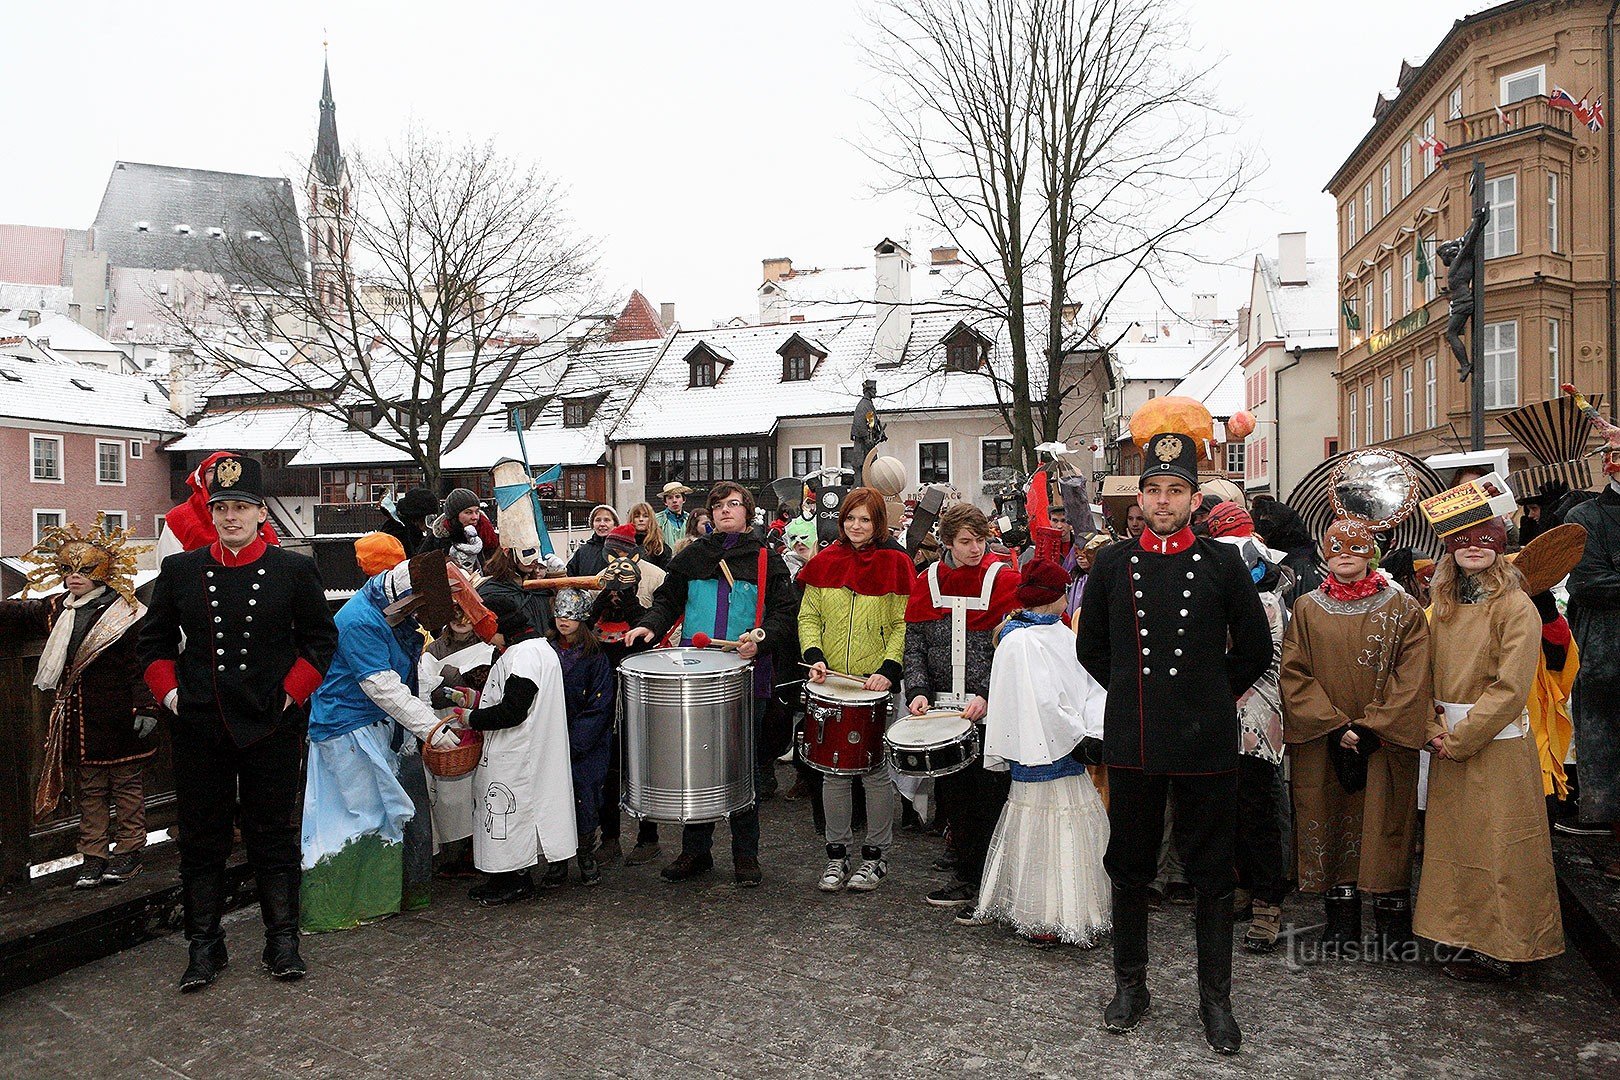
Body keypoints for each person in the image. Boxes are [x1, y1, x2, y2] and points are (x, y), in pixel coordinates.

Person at [1075, 423, 1271, 1055]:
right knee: (1129, 867)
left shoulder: (1221, 563)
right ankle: (1130, 985)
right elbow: (1091, 647)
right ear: (1141, 498)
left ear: (1194, 499)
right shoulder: (1112, 563)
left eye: (1175, 491)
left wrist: (1210, 695)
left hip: (1205, 741)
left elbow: (1257, 647)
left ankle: (1216, 998)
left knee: (1212, 871)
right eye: (1153, 490)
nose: (1163, 501)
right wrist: (1138, 692)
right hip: (1134, 738)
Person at [139, 453, 338, 992]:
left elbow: (320, 639)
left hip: (271, 724)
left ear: (258, 512)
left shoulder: (293, 569)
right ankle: (204, 946)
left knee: (272, 834)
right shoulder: (181, 570)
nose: (231, 517)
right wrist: (171, 693)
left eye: (242, 507)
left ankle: (282, 941)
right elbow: (153, 642)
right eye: (221, 507)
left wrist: (292, 694)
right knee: (202, 840)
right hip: (201, 726)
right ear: (211, 511)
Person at [624, 481, 800, 887]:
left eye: (733, 504)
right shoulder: (693, 557)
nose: (724, 510)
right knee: (696, 765)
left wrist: (760, 641)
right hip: (695, 676)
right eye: (718, 505)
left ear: (747, 512)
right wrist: (648, 627)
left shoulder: (765, 559)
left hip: (744, 676)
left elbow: (784, 613)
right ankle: (696, 852)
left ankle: (745, 855)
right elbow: (667, 602)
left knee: (744, 766)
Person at [1415, 517, 1565, 979]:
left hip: (1493, 745)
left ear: (1501, 547)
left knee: (1503, 845)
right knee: (1453, 845)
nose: (1474, 548)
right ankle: (1457, 934)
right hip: (1446, 741)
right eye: (1463, 541)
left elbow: (1511, 686)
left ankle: (1511, 946)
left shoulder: (1516, 606)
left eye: (1485, 540)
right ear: (1449, 549)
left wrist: (1460, 739)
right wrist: (1430, 726)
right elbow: (1420, 672)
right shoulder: (1440, 606)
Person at [300, 552, 482, 932]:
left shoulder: (394, 613)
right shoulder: (358, 622)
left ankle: (403, 892)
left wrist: (442, 700)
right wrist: (430, 729)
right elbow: (380, 686)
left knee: (402, 812)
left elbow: (409, 676)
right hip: (348, 731)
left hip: (386, 728)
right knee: (359, 818)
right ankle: (350, 903)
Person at [1278, 517, 1432, 958]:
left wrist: (1372, 725)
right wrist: (1333, 725)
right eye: (1336, 546)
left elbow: (1414, 674)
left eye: (1356, 546)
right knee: (1329, 811)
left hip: (1385, 736)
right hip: (1326, 734)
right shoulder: (1306, 607)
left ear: (1372, 553)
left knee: (1386, 817)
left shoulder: (1402, 608)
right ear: (1325, 554)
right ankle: (1341, 918)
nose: (1345, 553)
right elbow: (1295, 670)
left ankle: (1391, 920)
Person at [4, 517, 158, 888]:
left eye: (84, 570)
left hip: (122, 715)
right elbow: (18, 614)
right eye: (67, 570)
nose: (74, 577)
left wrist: (148, 707)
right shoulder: (58, 609)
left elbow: (143, 663)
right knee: (89, 789)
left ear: (103, 572)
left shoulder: (127, 612)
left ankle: (130, 851)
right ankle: (93, 855)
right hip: (78, 718)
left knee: (125, 787)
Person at [969, 559, 1110, 947]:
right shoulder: (1019, 641)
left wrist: (1095, 728)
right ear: (1055, 597)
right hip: (1040, 751)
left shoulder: (1061, 634)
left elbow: (1089, 683)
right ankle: (1042, 914)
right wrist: (1079, 736)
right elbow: (1041, 702)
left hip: (1070, 746)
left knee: (1069, 829)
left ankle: (1077, 912)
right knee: (1047, 832)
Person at [903, 503, 1022, 910]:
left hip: (988, 707)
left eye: (981, 540)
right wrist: (917, 689)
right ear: (948, 542)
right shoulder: (928, 580)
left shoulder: (1004, 580)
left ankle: (983, 878)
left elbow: (1012, 648)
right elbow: (915, 642)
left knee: (989, 795)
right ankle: (966, 867)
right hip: (942, 709)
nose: (975, 549)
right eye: (966, 542)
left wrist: (988, 694)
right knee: (953, 794)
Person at [798, 488, 913, 893]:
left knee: (875, 772)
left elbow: (902, 623)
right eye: (850, 518)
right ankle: (836, 854)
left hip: (874, 683)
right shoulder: (826, 561)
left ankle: (876, 856)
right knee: (833, 771)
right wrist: (814, 654)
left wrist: (888, 669)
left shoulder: (897, 563)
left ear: (878, 523)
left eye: (865, 519)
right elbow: (809, 615)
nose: (857, 526)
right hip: (830, 681)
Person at [1205, 502, 1296, 953]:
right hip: (1215, 719)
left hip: (1256, 717)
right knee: (1225, 810)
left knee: (1258, 812)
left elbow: (1261, 656)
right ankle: (1241, 887)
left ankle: (1267, 903)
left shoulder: (1266, 603)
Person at [461, 590, 577, 905]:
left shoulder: (525, 655)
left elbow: (513, 710)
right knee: (510, 816)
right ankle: (503, 877)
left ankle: (514, 878)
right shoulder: (535, 649)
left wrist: (470, 718)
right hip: (521, 749)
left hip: (516, 751)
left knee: (511, 817)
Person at [590, 525, 668, 866]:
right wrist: (602, 601)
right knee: (608, 763)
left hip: (638, 680)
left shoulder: (655, 577)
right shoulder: (598, 579)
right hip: (604, 683)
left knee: (642, 761)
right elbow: (584, 627)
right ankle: (609, 838)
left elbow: (655, 632)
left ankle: (648, 838)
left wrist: (633, 602)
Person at [419, 611, 496, 877]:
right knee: (447, 799)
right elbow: (426, 690)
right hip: (446, 732)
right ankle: (453, 852)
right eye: (455, 612)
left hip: (478, 729)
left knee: (478, 794)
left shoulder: (488, 646)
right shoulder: (435, 648)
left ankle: (475, 853)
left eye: (466, 614)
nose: (460, 619)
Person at [550, 588, 615, 887]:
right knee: (552, 800)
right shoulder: (546, 651)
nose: (564, 621)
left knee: (585, 797)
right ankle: (556, 860)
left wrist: (576, 742)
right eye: (560, 614)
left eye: (571, 615)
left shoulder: (595, 657)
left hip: (585, 746)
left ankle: (585, 854)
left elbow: (600, 706)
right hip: (550, 739)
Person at [156, 451, 281, 561]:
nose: (220, 476)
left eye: (241, 507)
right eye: (211, 470)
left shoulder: (256, 518)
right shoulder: (178, 519)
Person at [477, 546, 555, 641]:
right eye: (526, 552)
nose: (533, 560)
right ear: (508, 553)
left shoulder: (541, 590)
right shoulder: (491, 591)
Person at [435, 488, 499, 573]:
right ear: (454, 515)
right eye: (468, 512)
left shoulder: (486, 533)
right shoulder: (439, 539)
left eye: (477, 512)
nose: (475, 517)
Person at [380, 488, 440, 558]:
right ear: (416, 518)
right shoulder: (398, 532)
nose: (428, 527)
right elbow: (411, 562)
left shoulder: (412, 531)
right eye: (428, 520)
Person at [566, 504, 620, 578]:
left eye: (607, 520)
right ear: (592, 524)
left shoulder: (621, 550)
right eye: (598, 520)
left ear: (615, 524)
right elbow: (569, 576)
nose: (602, 524)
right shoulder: (582, 551)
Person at [629, 501, 672, 570]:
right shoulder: (624, 544)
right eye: (637, 516)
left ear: (651, 519)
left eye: (645, 516)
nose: (641, 519)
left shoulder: (660, 547)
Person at [653, 481, 692, 553]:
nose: (674, 501)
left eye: (677, 497)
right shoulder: (656, 519)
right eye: (670, 498)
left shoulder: (691, 519)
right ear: (665, 502)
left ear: (683, 499)